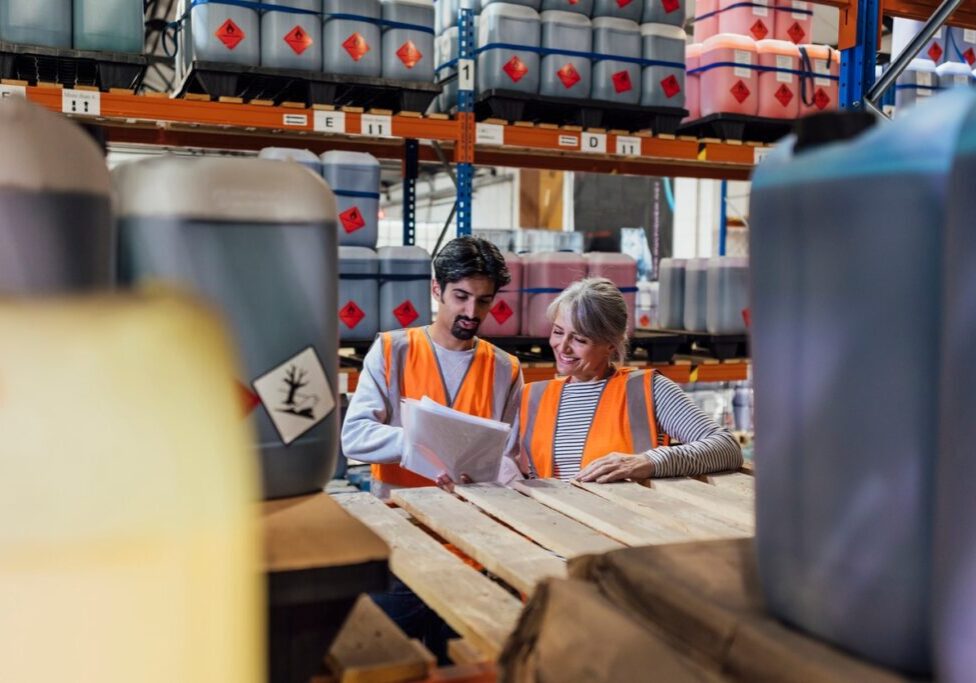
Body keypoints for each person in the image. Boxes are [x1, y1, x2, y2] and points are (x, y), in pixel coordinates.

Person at [519, 278, 742, 482]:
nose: (563, 347)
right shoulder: (533, 396)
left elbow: (727, 448)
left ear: (611, 344)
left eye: (579, 339)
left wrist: (649, 462)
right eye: (558, 332)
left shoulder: (646, 389)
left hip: (627, 520)